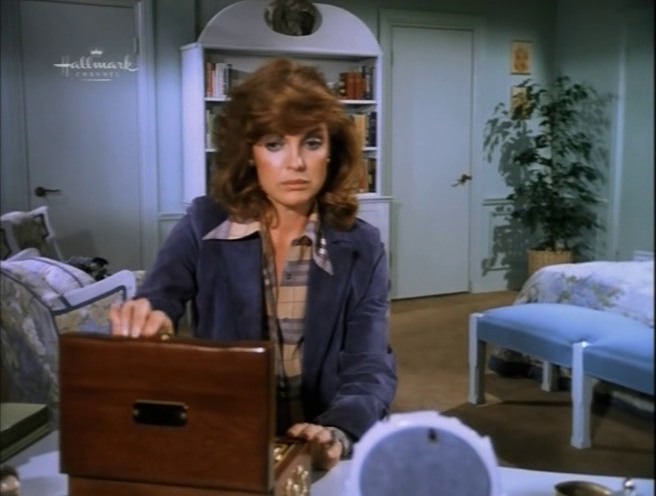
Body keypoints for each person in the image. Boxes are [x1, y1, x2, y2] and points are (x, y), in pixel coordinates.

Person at [109, 58, 397, 471]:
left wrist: (337, 432)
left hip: (314, 453)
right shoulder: (204, 223)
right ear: (250, 154)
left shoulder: (362, 247)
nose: (295, 163)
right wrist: (149, 316)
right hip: (223, 441)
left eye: (311, 143)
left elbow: (369, 367)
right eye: (275, 144)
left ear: (331, 152)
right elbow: (160, 296)